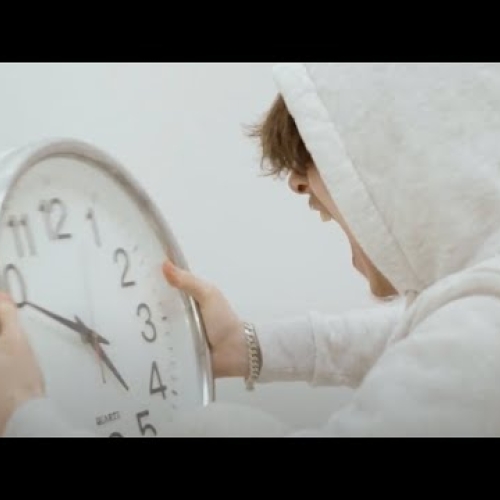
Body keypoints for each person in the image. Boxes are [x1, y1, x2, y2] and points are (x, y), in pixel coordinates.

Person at [2, 62, 500, 437]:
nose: (297, 185)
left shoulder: (480, 342)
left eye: (321, 147)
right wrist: (248, 346)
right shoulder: (479, 305)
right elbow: (409, 333)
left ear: (406, 157)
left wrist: (24, 412)